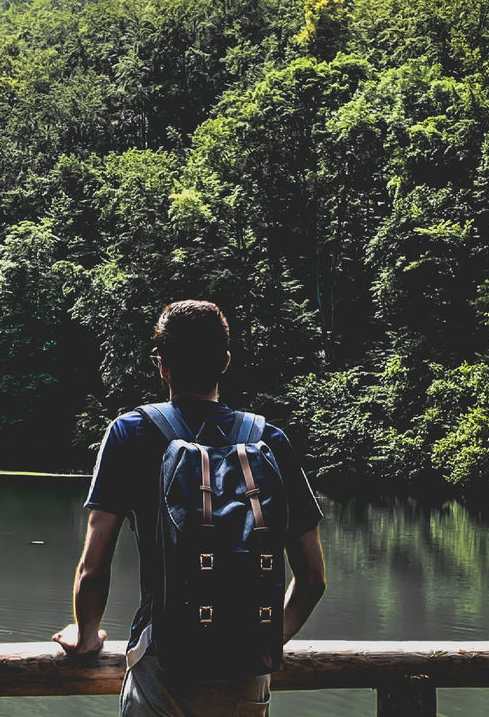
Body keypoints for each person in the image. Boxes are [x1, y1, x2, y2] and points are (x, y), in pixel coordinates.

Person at [52, 300, 326, 717]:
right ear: (226, 362)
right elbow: (312, 579)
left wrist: (87, 635)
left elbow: (93, 567)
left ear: (161, 366)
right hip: (246, 679)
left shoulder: (130, 432)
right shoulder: (270, 439)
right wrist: (263, 638)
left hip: (163, 668)